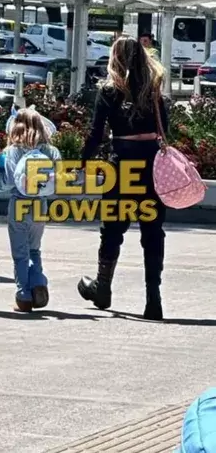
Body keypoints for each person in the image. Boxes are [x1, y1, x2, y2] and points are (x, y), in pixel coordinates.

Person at [77, 36, 168, 320]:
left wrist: (82, 163)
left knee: (112, 228)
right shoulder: (154, 88)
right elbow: (165, 128)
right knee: (152, 232)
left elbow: (95, 134)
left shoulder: (108, 89)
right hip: (152, 164)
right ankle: (154, 299)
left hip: (122, 166)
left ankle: (102, 288)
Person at [0, 108, 61, 312]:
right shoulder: (51, 151)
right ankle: (38, 281)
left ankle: (23, 295)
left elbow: (6, 183)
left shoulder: (11, 152)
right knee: (34, 249)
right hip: (40, 205)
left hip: (18, 204)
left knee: (20, 253)